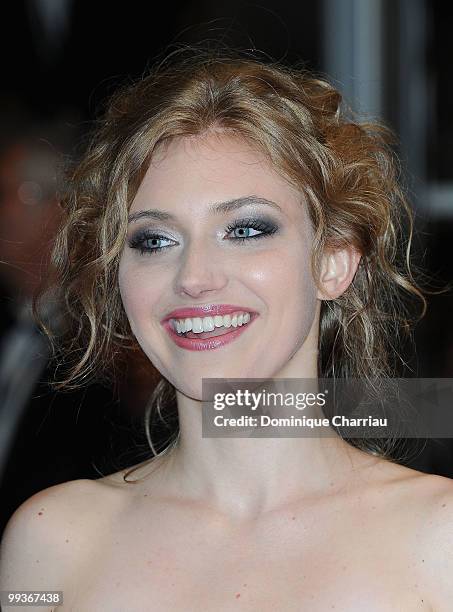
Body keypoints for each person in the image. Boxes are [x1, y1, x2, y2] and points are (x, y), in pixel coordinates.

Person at [1, 47, 452, 611]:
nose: (193, 277)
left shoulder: (439, 542)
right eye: (154, 240)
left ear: (334, 260)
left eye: (244, 229)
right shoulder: (50, 543)